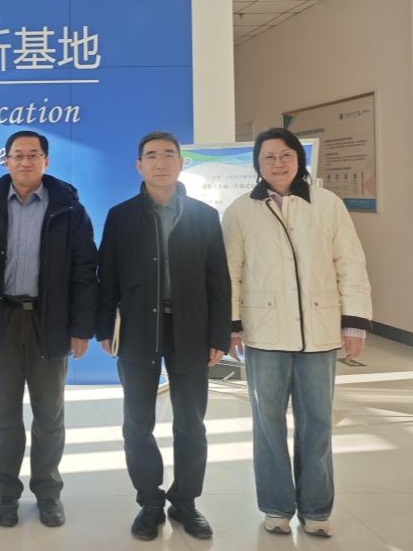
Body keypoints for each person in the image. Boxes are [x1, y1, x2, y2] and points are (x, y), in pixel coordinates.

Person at [222, 127, 371, 538]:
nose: (278, 163)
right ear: (257, 164)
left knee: (317, 422)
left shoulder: (327, 204)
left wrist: (354, 321)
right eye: (268, 157)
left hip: (319, 331)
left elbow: (350, 262)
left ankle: (316, 509)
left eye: (286, 155)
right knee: (268, 424)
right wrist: (232, 326)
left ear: (299, 159)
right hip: (264, 332)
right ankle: (275, 506)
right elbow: (230, 273)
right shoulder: (240, 211)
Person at [96, 131, 231, 541]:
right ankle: (150, 502)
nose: (160, 162)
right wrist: (104, 327)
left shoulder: (204, 216)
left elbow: (218, 281)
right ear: (139, 165)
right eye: (151, 156)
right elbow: (107, 276)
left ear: (181, 163)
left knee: (191, 423)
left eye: (169, 155)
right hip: (137, 329)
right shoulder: (121, 216)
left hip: (191, 330)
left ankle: (185, 502)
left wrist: (219, 334)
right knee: (137, 422)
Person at [0, 130, 97, 528]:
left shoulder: (69, 209)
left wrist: (81, 327)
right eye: (17, 155)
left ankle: (48, 492)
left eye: (33, 154)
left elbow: (84, 270)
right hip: (2, 319)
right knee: (3, 414)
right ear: (6, 161)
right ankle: (7, 494)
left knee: (49, 413)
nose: (25, 161)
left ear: (46, 160)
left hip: (50, 320)